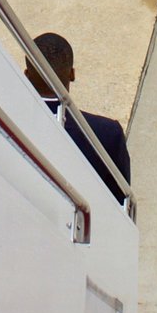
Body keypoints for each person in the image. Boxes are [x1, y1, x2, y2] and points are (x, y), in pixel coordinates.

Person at [25, 31, 130, 206]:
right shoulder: (107, 133)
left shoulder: (1, 122)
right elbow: (121, 203)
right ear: (72, 74)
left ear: (26, 75)